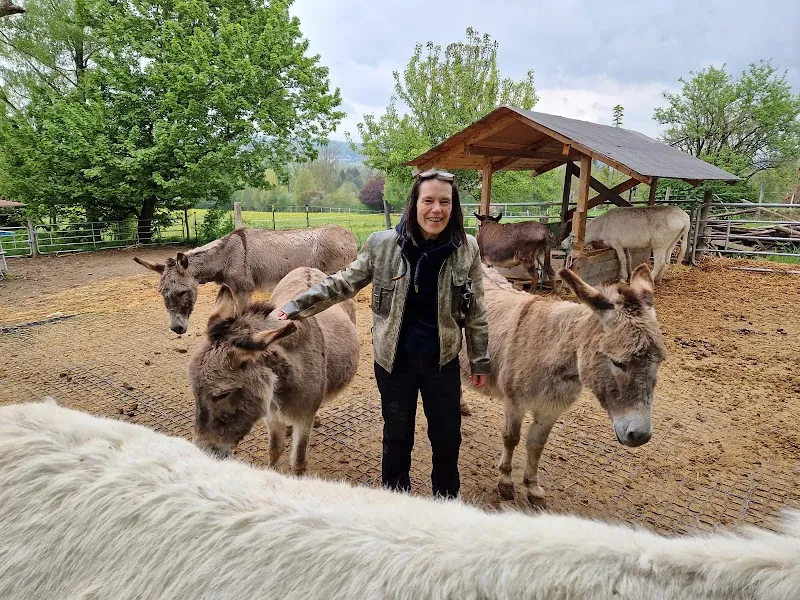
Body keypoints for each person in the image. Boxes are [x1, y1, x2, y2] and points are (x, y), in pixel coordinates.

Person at [277, 170, 489, 499]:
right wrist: (291, 308)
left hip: (443, 360)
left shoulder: (467, 249)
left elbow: (475, 310)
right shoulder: (383, 245)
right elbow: (341, 283)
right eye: (428, 200)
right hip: (394, 362)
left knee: (447, 438)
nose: (436, 209)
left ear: (454, 207)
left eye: (444, 202)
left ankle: (447, 507)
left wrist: (479, 360)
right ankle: (394, 505)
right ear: (414, 204)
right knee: (397, 436)